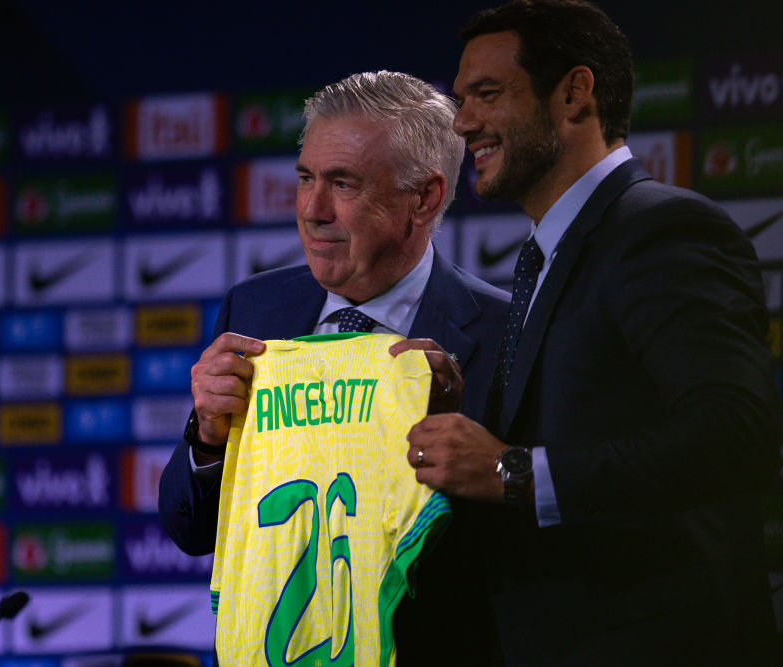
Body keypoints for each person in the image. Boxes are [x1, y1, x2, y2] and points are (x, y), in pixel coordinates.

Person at [403, 0, 783, 663]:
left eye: (487, 94)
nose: (462, 123)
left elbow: (735, 432)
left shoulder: (661, 229)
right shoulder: (547, 255)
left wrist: (512, 471)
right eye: (461, 100)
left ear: (575, 93)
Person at [159, 70, 509, 661]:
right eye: (306, 178)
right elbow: (190, 532)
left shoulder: (504, 333)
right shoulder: (255, 309)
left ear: (424, 198)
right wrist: (210, 440)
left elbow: (523, 556)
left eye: (343, 183)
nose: (312, 210)